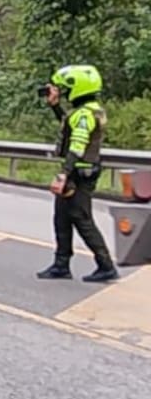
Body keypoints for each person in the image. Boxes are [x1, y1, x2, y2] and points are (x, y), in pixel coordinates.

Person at [36, 65, 119, 282]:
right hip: (80, 171)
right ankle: (61, 264)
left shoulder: (84, 114)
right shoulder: (90, 110)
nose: (62, 92)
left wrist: (63, 173)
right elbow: (70, 126)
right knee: (62, 217)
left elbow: (77, 145)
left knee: (82, 219)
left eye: (64, 89)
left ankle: (106, 265)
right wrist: (55, 107)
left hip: (79, 174)